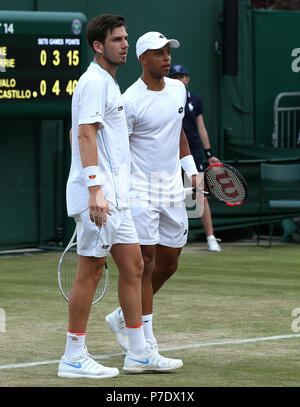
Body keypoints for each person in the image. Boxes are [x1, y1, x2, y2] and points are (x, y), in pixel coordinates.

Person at [58, 15, 182, 379]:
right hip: (99, 198)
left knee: (136, 267)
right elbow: (84, 135)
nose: (124, 44)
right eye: (117, 39)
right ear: (98, 45)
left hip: (118, 198)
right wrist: (95, 188)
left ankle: (140, 353)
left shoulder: (109, 83)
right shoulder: (94, 82)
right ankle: (73, 356)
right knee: (91, 271)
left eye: (126, 38)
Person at [105, 32, 203, 354]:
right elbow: (118, 149)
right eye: (158, 53)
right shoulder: (129, 100)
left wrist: (192, 171)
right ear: (142, 59)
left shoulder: (178, 89)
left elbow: (178, 136)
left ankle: (124, 315)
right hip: (140, 190)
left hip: (173, 189)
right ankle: (146, 341)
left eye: (168, 52)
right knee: (144, 263)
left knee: (169, 262)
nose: (167, 57)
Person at [169, 64, 221, 252]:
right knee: (169, 195)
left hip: (193, 154)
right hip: (169, 155)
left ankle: (211, 237)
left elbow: (201, 128)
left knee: (200, 195)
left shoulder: (195, 101)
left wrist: (209, 154)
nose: (179, 80)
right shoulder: (166, 100)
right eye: (175, 77)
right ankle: (169, 240)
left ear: (187, 79)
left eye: (182, 77)